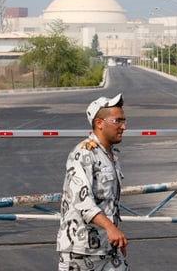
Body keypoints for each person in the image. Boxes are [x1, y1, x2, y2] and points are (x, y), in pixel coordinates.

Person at [57, 93, 129, 270]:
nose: (124, 126)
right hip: (80, 252)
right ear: (99, 123)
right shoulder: (83, 153)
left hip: (108, 249)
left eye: (124, 120)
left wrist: (112, 233)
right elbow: (83, 201)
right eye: (117, 121)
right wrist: (111, 228)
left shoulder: (110, 156)